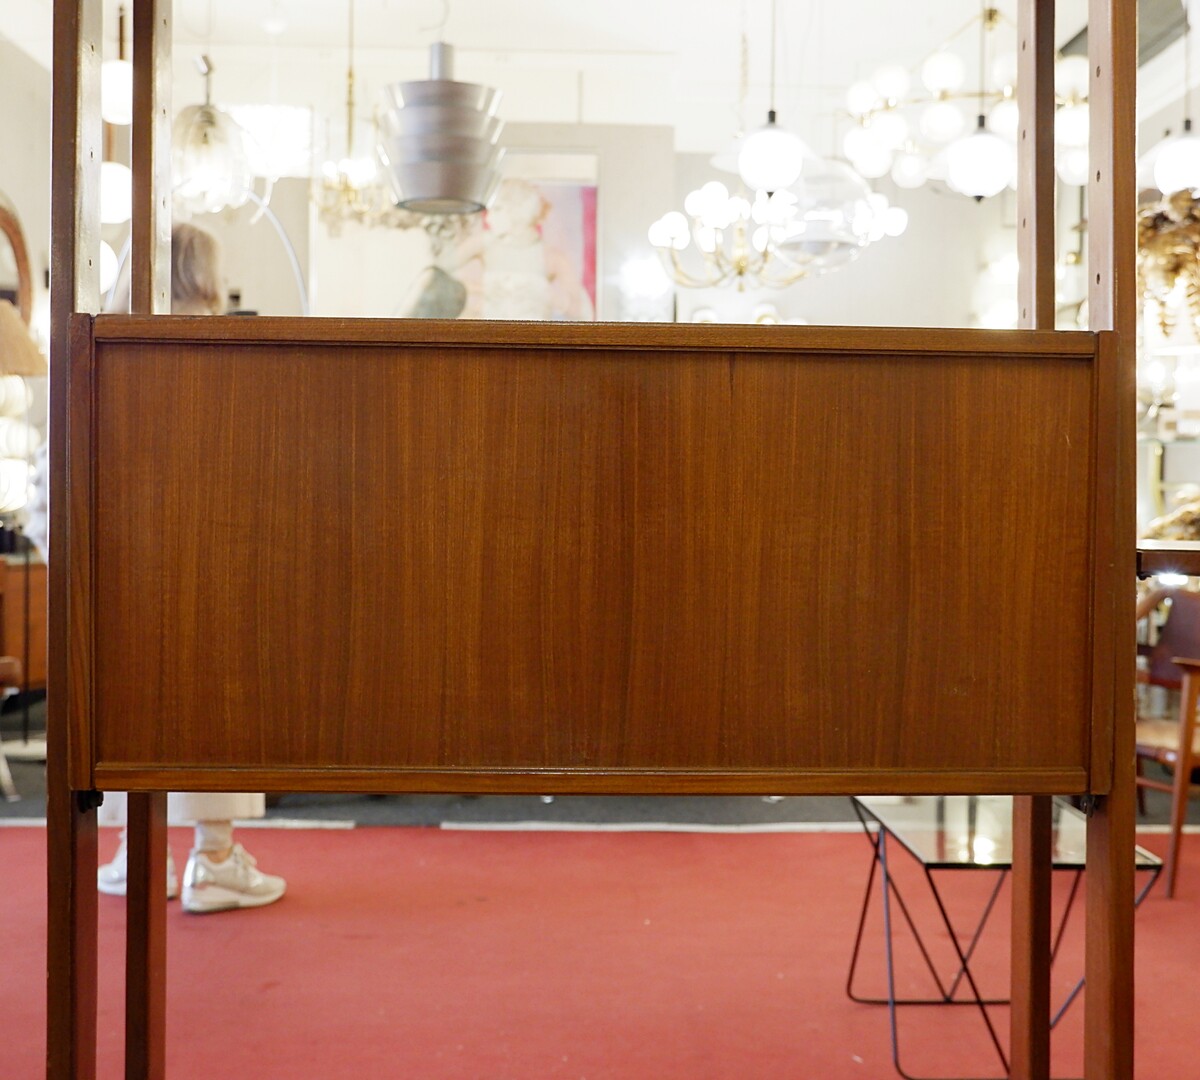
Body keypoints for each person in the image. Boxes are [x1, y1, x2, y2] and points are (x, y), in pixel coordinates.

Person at [28, 222, 286, 913]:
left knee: (123, 710)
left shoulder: (96, 341)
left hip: (117, 572)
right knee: (215, 707)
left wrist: (66, 564)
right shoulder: (229, 347)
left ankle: (133, 855)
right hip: (213, 565)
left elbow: (56, 470)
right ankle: (216, 857)